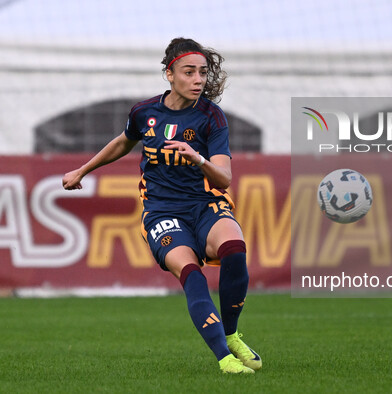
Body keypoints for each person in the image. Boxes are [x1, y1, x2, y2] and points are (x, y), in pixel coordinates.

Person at [62, 37, 261, 374]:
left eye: (202, 73)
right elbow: (124, 141)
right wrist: (83, 169)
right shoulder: (144, 112)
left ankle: (231, 333)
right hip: (162, 212)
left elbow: (224, 179)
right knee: (191, 273)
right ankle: (224, 359)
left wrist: (198, 159)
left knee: (234, 247)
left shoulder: (212, 117)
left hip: (205, 203)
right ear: (170, 75)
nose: (199, 80)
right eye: (189, 72)